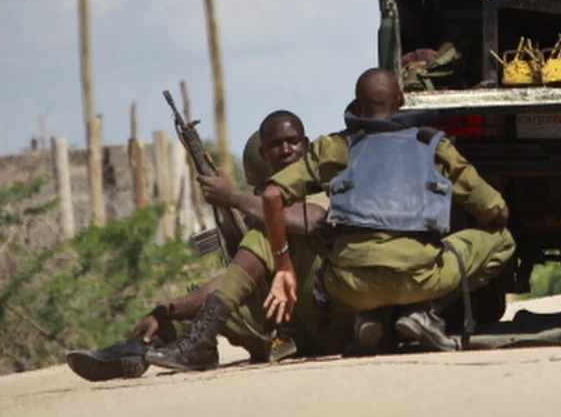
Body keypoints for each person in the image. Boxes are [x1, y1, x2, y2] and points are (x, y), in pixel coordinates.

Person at [64, 112, 346, 380]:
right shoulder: (258, 211)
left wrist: (232, 197)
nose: (285, 151)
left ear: (306, 145)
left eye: (292, 142)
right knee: (191, 314)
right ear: (263, 156)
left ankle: (194, 343)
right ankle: (138, 352)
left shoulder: (325, 188)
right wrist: (166, 310)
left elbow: (309, 222)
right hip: (288, 332)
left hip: (329, 320)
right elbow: (232, 280)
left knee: (265, 233)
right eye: (275, 145)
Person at [261, 68, 515, 353]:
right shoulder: (432, 145)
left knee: (327, 238)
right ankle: (425, 312)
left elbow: (271, 195)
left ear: (357, 106)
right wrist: (487, 219)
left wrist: (282, 264)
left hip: (351, 286)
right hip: (420, 279)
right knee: (503, 240)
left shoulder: (334, 148)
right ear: (402, 100)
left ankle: (369, 317)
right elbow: (495, 209)